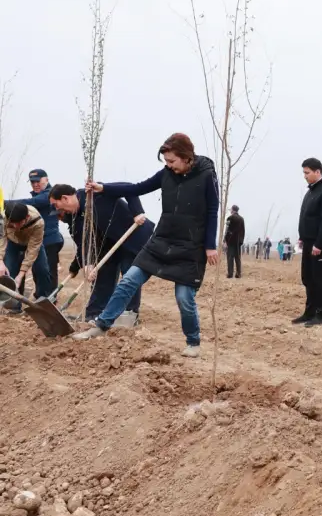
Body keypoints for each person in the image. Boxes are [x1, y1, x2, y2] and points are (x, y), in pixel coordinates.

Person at [72, 133, 221, 356]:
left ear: (186, 157)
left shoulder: (207, 175)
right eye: (166, 161)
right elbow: (136, 188)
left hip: (191, 246)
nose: (168, 165)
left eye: (172, 161)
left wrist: (210, 245)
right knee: (128, 281)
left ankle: (193, 342)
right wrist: (103, 188)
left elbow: (212, 210)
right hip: (162, 240)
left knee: (184, 298)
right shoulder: (166, 174)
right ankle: (101, 325)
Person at [49, 183, 154, 321]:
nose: (57, 210)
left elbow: (129, 188)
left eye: (56, 205)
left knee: (129, 277)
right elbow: (83, 244)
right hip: (108, 245)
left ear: (65, 198)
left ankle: (129, 315)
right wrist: (84, 265)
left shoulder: (94, 194)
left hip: (132, 236)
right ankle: (94, 314)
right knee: (103, 275)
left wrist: (137, 212)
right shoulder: (75, 218)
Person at [294, 158, 322, 326]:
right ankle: (309, 312)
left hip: (321, 244)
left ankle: (321, 314)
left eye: (307, 172)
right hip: (308, 242)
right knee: (308, 277)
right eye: (304, 173)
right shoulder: (311, 191)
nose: (304, 176)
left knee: (320, 278)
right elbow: (307, 217)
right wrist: (302, 236)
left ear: (317, 172)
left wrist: (319, 244)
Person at [10, 169, 64, 296]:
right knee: (36, 272)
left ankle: (49, 299)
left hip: (49, 240)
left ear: (46, 179)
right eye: (32, 182)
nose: (35, 184)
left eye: (38, 181)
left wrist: (5, 203)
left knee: (47, 272)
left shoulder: (50, 195)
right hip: (35, 241)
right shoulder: (37, 196)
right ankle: (35, 298)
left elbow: (32, 203)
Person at [0, 203, 53, 308]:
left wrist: (21, 274)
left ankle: (42, 303)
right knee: (9, 271)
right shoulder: (4, 217)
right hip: (13, 242)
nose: (15, 227)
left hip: (32, 244)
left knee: (42, 270)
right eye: (12, 224)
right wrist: (0, 261)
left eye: (18, 223)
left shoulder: (38, 222)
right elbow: (1, 239)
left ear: (27, 217)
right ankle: (14, 306)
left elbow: (33, 250)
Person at [224, 205, 246, 279]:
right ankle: (238, 273)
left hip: (231, 241)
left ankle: (230, 274)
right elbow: (243, 231)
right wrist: (241, 241)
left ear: (233, 210)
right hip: (238, 242)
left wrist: (225, 240)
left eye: (231, 209)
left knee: (230, 258)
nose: (230, 210)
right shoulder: (242, 219)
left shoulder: (230, 218)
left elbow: (227, 230)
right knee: (237, 258)